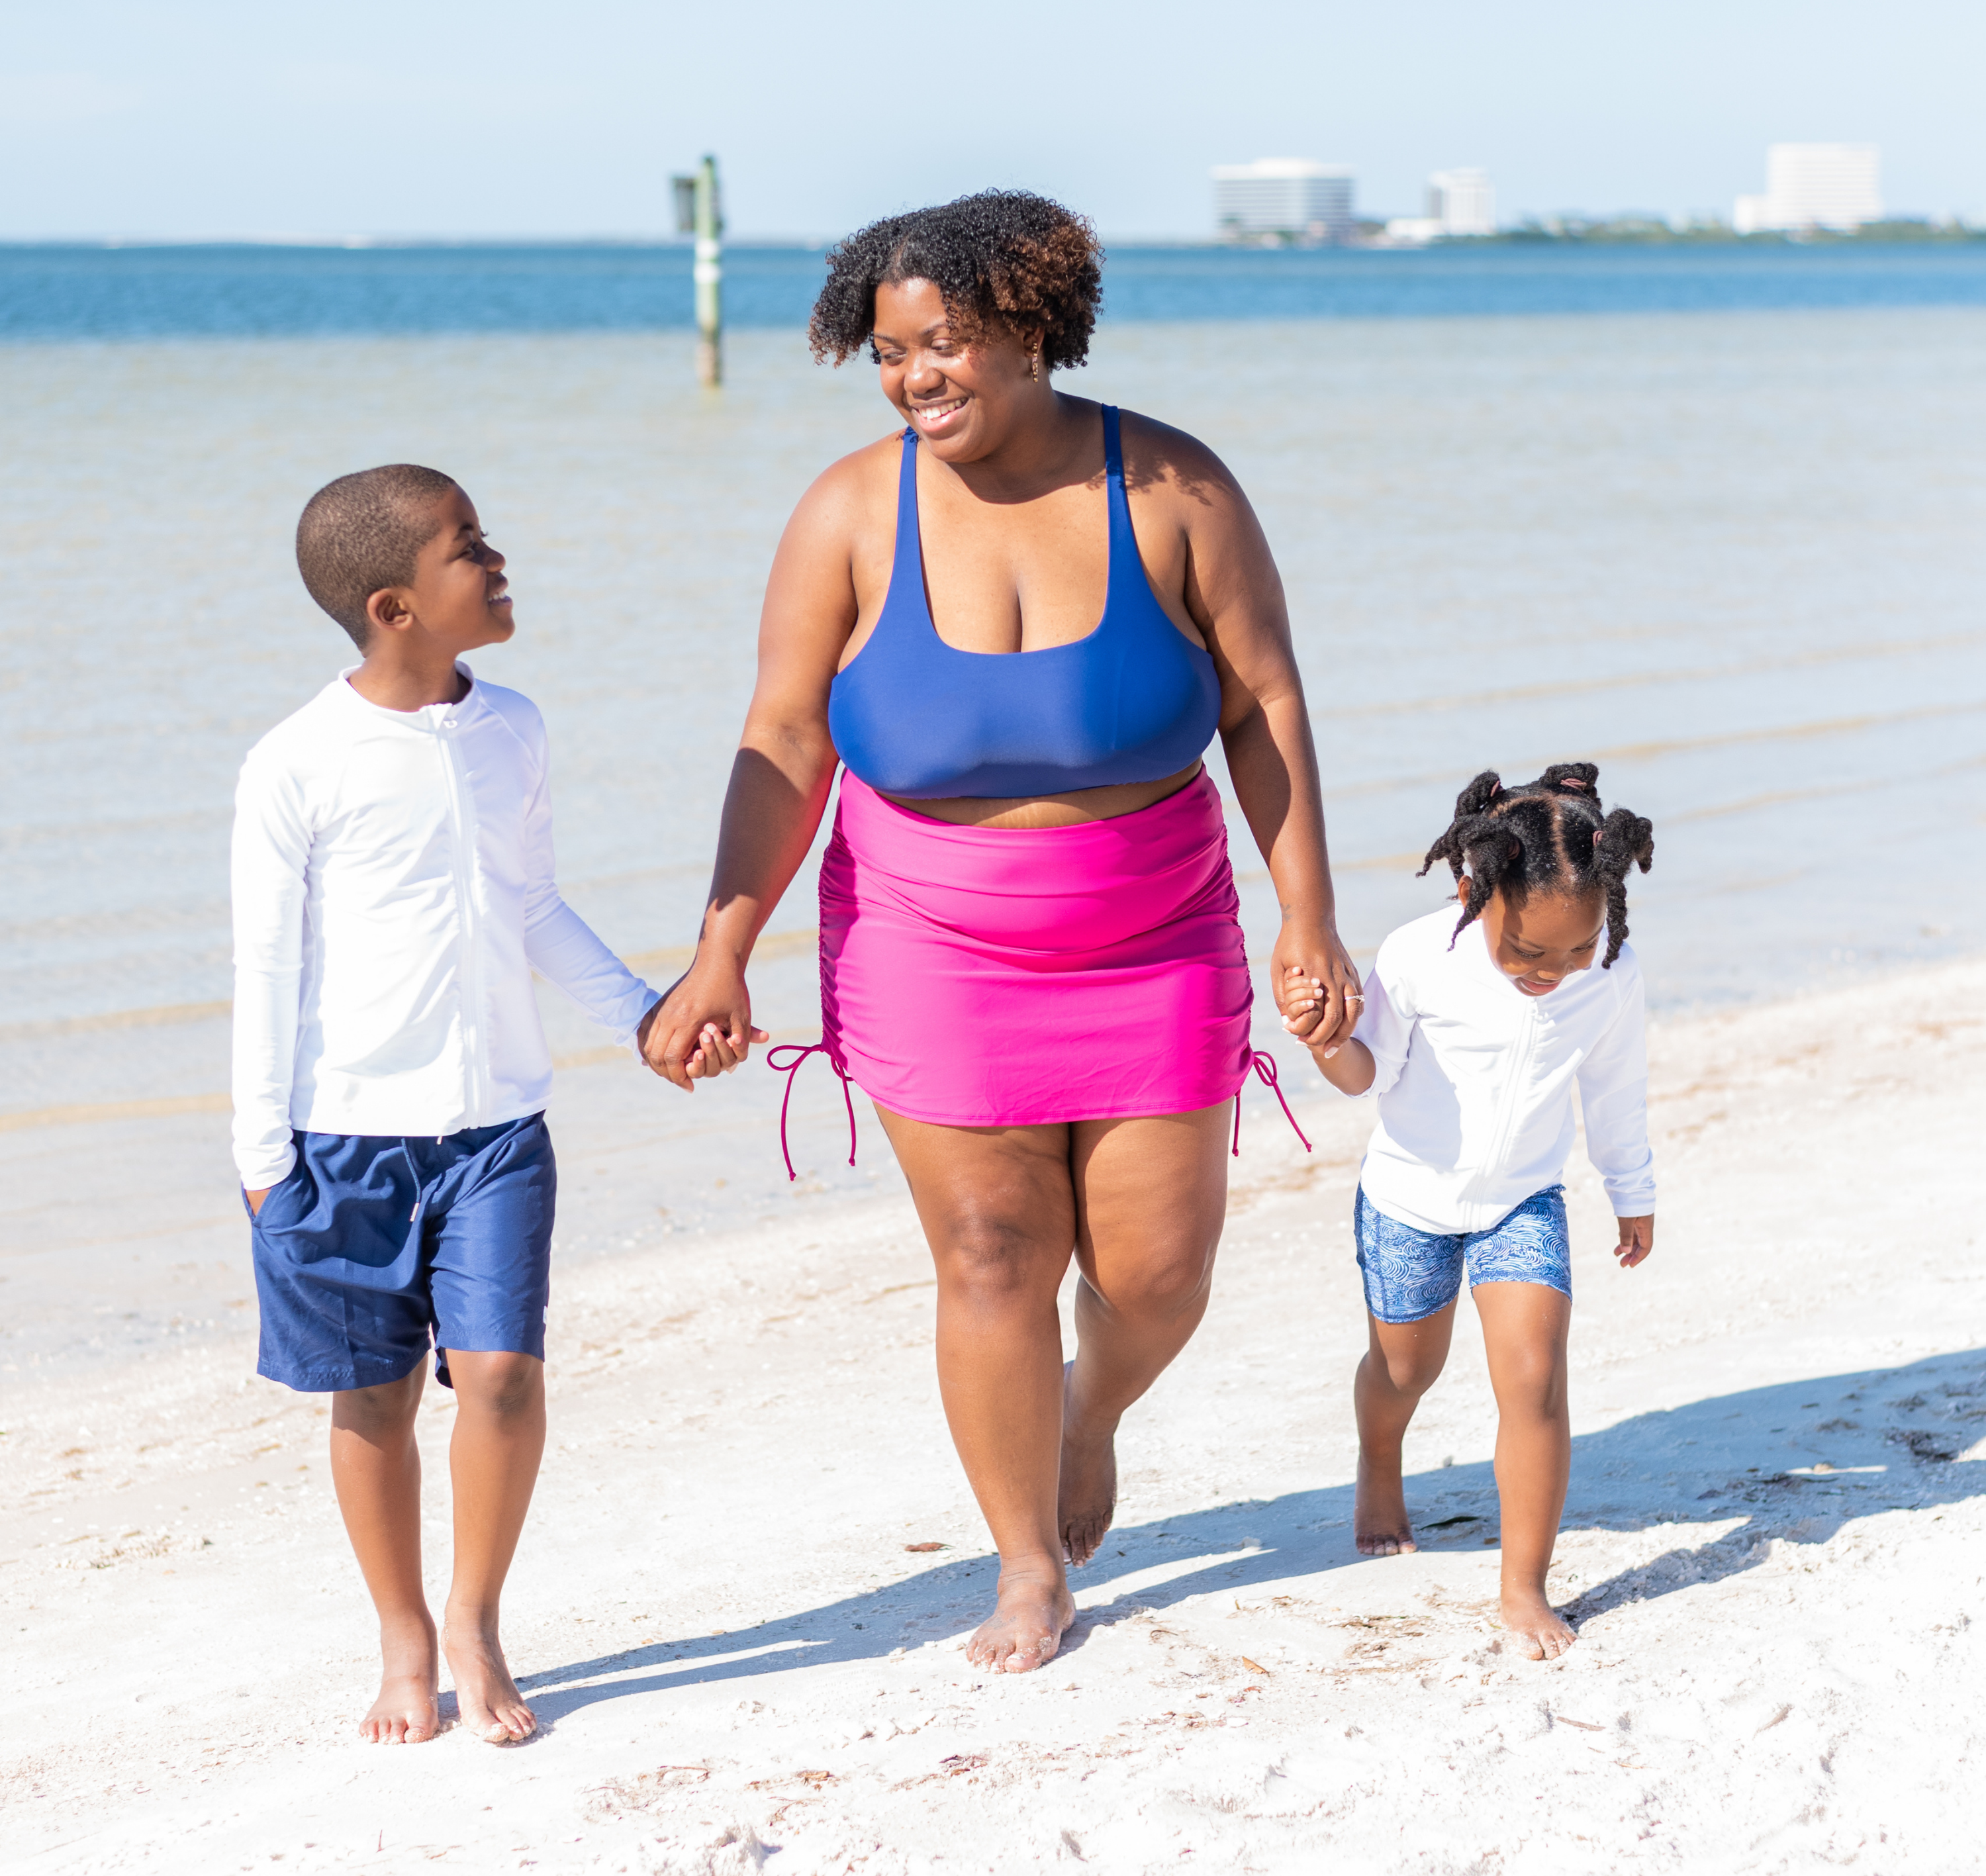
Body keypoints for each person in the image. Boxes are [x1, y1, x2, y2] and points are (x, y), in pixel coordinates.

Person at [643, 191, 1363, 1674]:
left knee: (1158, 1273)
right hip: (928, 937)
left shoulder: (1174, 488)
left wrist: (1309, 916)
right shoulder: (850, 512)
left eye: (949, 345)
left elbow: (1263, 707)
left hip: (1155, 928)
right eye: (893, 353)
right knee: (990, 1251)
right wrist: (723, 945)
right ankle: (1027, 1561)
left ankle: (1086, 1409)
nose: (919, 379)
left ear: (1034, 329)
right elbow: (783, 739)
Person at [232, 465, 662, 1743]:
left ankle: (474, 1617)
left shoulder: (514, 728)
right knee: (369, 1401)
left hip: (495, 1133)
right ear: (393, 604)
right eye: (467, 545)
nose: (497, 557)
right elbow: (264, 967)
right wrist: (262, 1160)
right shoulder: (296, 763)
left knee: (505, 1378)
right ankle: (403, 1635)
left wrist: (640, 1011)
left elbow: (531, 904)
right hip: (340, 1140)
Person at [1288, 763, 1657, 1660]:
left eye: (1574, 949)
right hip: (1408, 1200)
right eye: (1529, 952)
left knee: (1534, 1378)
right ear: (1473, 892)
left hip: (1523, 1200)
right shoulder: (1421, 956)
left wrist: (1631, 1189)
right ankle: (1380, 1463)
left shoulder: (1606, 971)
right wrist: (1325, 1038)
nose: (1553, 972)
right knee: (1406, 1370)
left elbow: (1614, 1088)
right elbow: (1365, 1074)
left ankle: (1524, 1586)